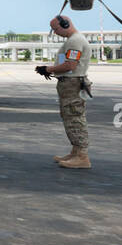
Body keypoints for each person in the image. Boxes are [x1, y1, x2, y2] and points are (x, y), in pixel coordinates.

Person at [38, 15, 92, 169]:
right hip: (70, 84)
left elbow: (70, 65)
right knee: (70, 117)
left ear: (65, 24)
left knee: (74, 118)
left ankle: (82, 157)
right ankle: (75, 152)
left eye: (56, 29)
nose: (55, 33)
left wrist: (48, 69)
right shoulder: (72, 40)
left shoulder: (75, 41)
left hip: (72, 84)